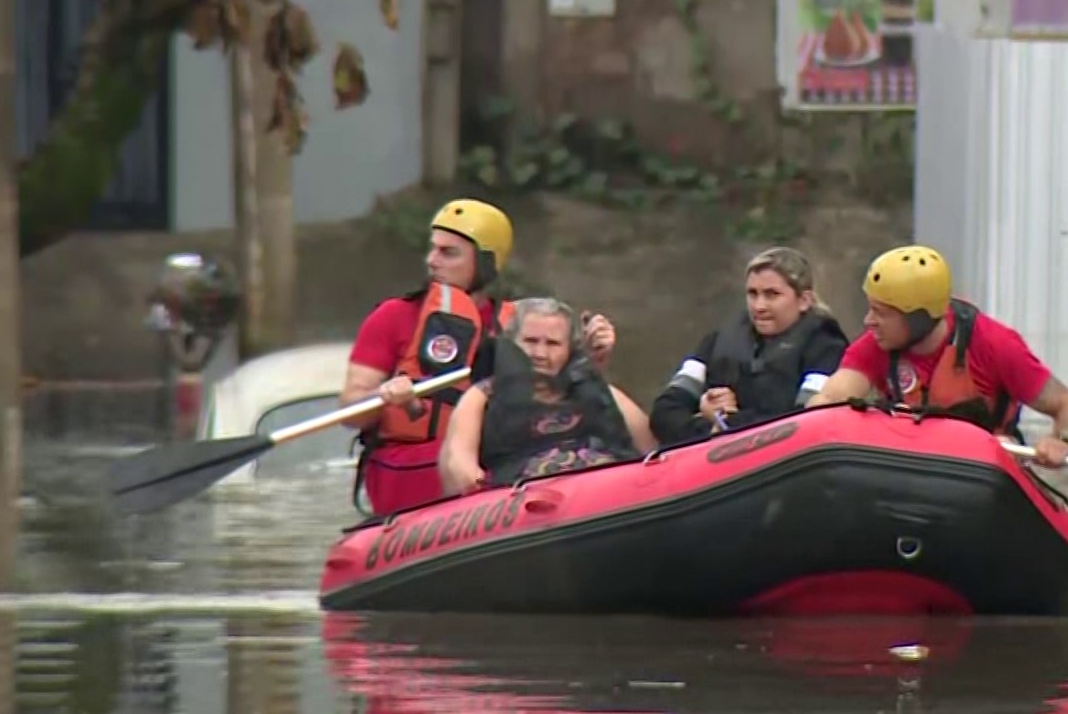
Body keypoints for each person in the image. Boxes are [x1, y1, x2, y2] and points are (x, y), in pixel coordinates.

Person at [340, 199, 618, 515]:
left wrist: (594, 358)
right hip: (413, 468)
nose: (432, 261)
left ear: (486, 262)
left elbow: (564, 396)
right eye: (433, 249)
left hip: (500, 463)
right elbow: (351, 412)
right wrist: (384, 395)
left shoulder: (520, 324)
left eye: (449, 253)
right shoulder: (394, 316)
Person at [806, 244, 1068, 467]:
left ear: (919, 317)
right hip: (909, 463)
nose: (868, 321)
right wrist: (814, 415)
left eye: (882, 313)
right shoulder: (878, 344)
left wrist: (1061, 441)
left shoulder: (995, 344)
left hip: (981, 468)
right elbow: (833, 397)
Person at [438, 297, 656, 493]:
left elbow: (656, 451)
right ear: (511, 344)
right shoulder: (482, 396)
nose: (540, 354)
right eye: (531, 342)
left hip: (612, 496)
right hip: (522, 508)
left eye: (552, 344)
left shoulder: (598, 391)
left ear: (569, 350)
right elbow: (459, 463)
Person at [648, 246, 850, 445]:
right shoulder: (717, 341)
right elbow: (665, 411)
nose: (759, 306)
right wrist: (710, 429)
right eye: (753, 294)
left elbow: (807, 422)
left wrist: (727, 420)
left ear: (804, 300)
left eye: (772, 294)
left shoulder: (827, 347)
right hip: (707, 457)